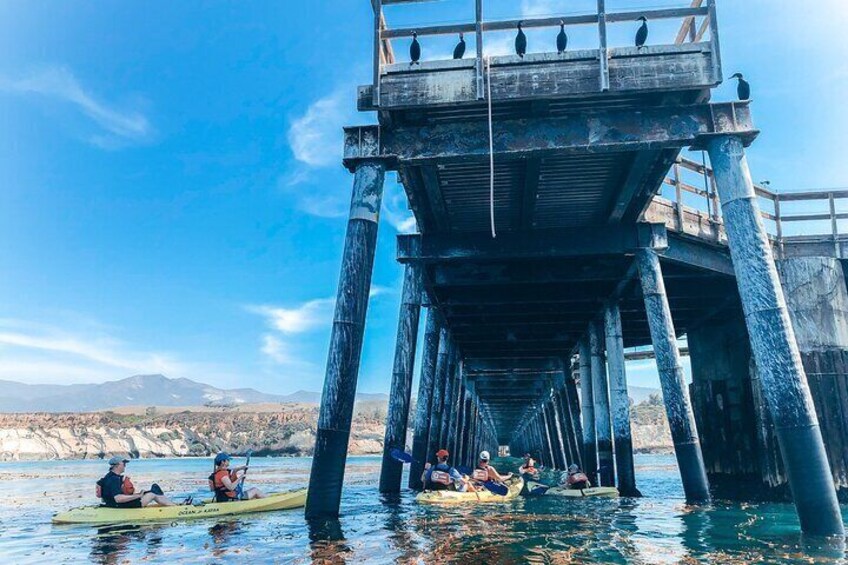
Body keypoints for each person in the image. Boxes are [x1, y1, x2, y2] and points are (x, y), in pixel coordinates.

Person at [96, 456, 176, 508]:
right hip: (118, 505)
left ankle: (172, 505)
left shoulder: (109, 476)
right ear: (117, 465)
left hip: (112, 504)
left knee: (152, 491)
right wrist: (138, 496)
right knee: (152, 494)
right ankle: (176, 508)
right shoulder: (114, 479)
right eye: (123, 464)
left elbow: (102, 496)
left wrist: (138, 494)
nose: (125, 465)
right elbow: (118, 499)